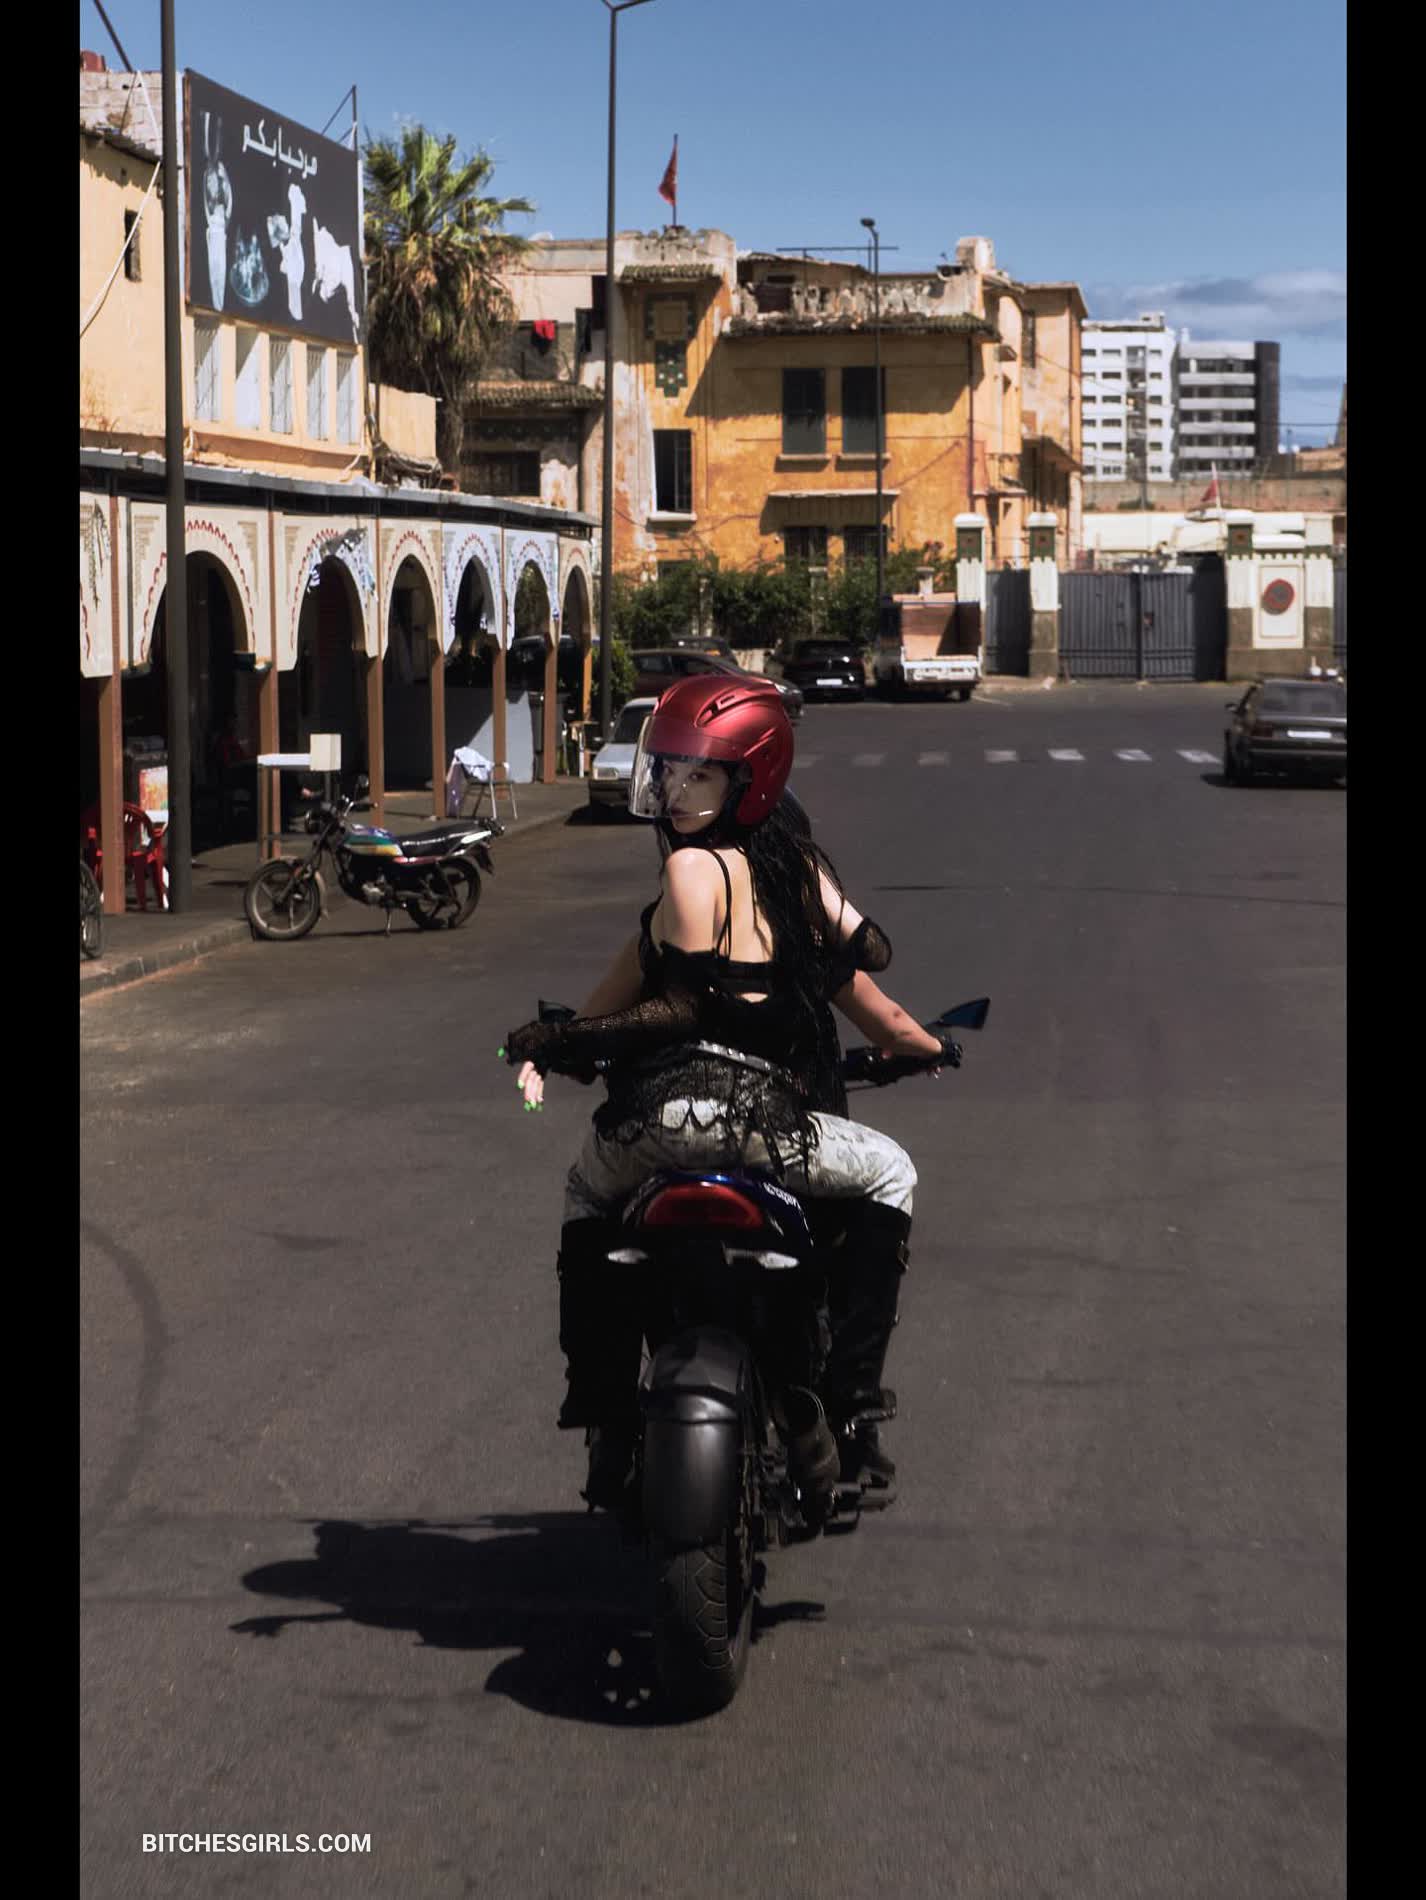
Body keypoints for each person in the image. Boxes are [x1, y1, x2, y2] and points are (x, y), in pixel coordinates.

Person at [503, 676, 948, 1508]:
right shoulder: (785, 886)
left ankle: (602, 1407)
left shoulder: (681, 882)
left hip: (662, 1120)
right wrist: (925, 1036)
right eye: (670, 770)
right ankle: (852, 1399)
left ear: (748, 781)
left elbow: (655, 1011)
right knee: (892, 1171)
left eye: (697, 773)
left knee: (584, 1196)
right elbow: (873, 965)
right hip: (768, 1129)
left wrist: (556, 1045)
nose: (674, 789)